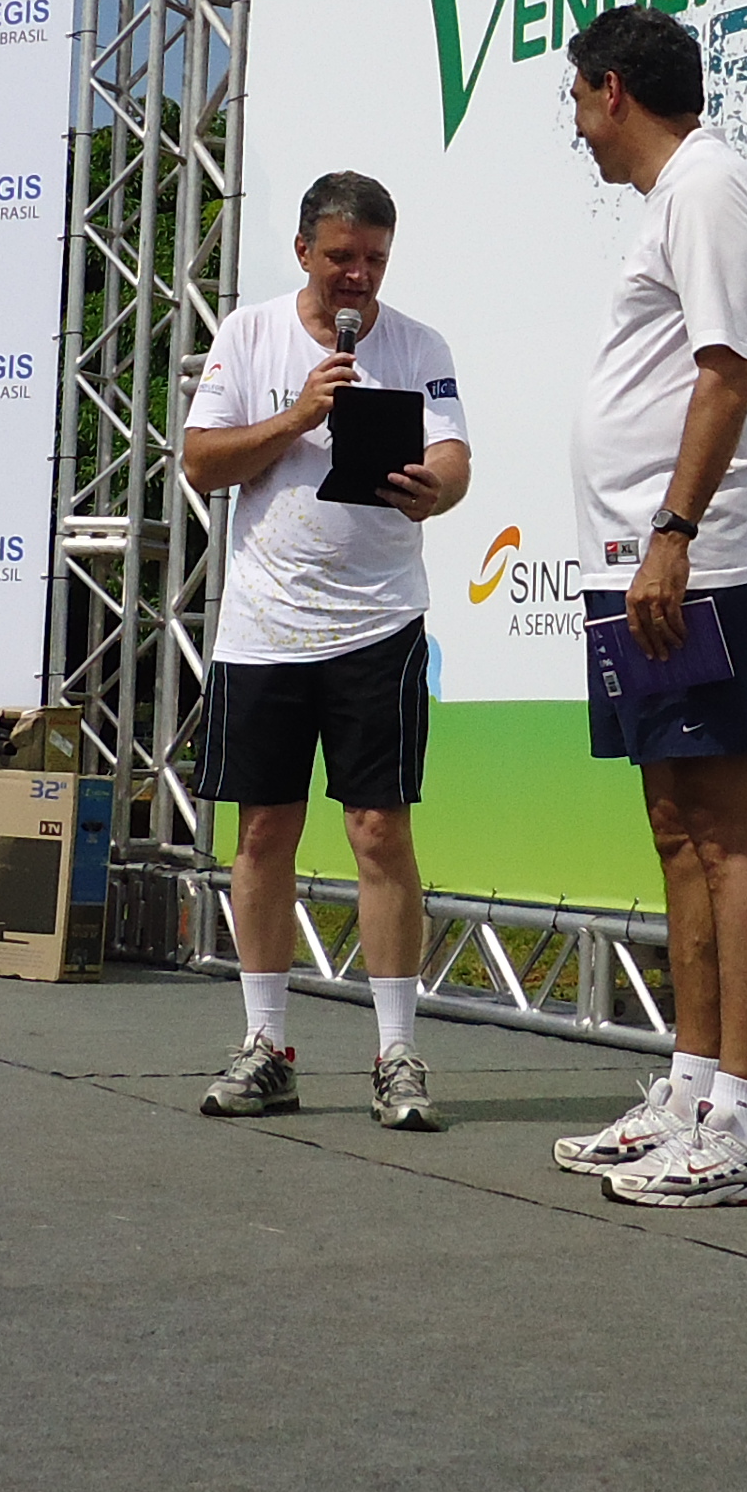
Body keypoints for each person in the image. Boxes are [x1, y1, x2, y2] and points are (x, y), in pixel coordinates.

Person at [546, 5, 747, 1208]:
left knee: (730, 823)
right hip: (641, 558)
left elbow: (729, 371)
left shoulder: (708, 188)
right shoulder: (673, 201)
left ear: (612, 90)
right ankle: (694, 1088)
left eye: (577, 101)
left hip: (704, 557)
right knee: (675, 824)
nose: (578, 127)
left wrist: (675, 532)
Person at [184, 170, 476, 1130]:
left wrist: (435, 488)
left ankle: (397, 1053)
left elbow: (453, 460)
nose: (359, 276)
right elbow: (202, 461)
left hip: (377, 623)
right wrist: (298, 416)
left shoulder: (419, 345)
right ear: (304, 251)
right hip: (264, 626)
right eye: (343, 257)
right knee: (264, 832)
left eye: (375, 260)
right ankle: (267, 1045)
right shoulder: (250, 334)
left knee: (379, 832)